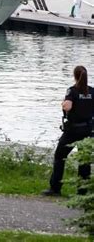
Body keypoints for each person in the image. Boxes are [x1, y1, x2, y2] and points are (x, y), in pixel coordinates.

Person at [42, 66, 94, 196]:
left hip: (73, 130)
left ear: (75, 76)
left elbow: (68, 106)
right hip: (88, 129)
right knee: (84, 161)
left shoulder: (72, 91)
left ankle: (55, 188)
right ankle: (83, 192)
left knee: (60, 157)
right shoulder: (92, 91)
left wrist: (64, 104)